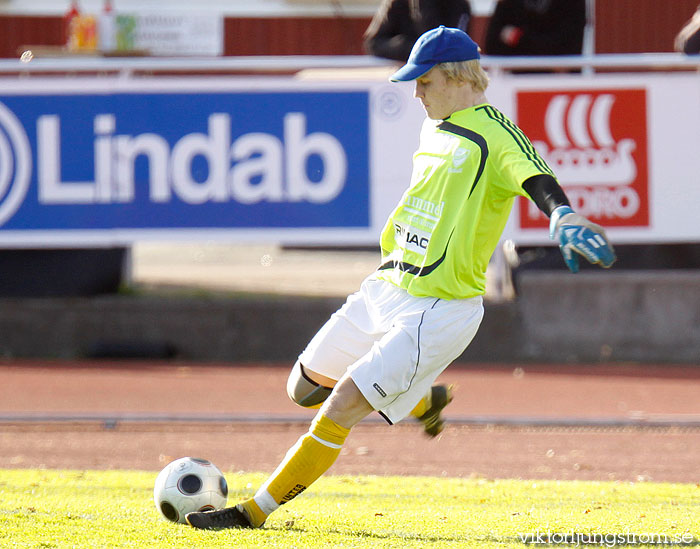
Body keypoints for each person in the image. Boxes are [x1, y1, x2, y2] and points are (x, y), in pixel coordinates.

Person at [186, 25, 616, 531]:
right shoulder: (436, 123)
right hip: (386, 285)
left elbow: (534, 175)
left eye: (425, 82)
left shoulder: (494, 131)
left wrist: (560, 213)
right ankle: (420, 397)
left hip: (438, 309)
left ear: (457, 76)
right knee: (302, 388)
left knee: (341, 406)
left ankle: (252, 514)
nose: (416, 92)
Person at [364, 0, 472, 62]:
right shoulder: (397, 2)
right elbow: (373, 43)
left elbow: (445, 46)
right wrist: (411, 49)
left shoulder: (458, 5)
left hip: (444, 81)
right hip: (403, 80)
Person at [484, 0, 586, 56]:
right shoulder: (511, 4)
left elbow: (568, 45)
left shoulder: (570, 3)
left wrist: (520, 39)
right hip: (516, 78)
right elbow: (492, 45)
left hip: (559, 82)